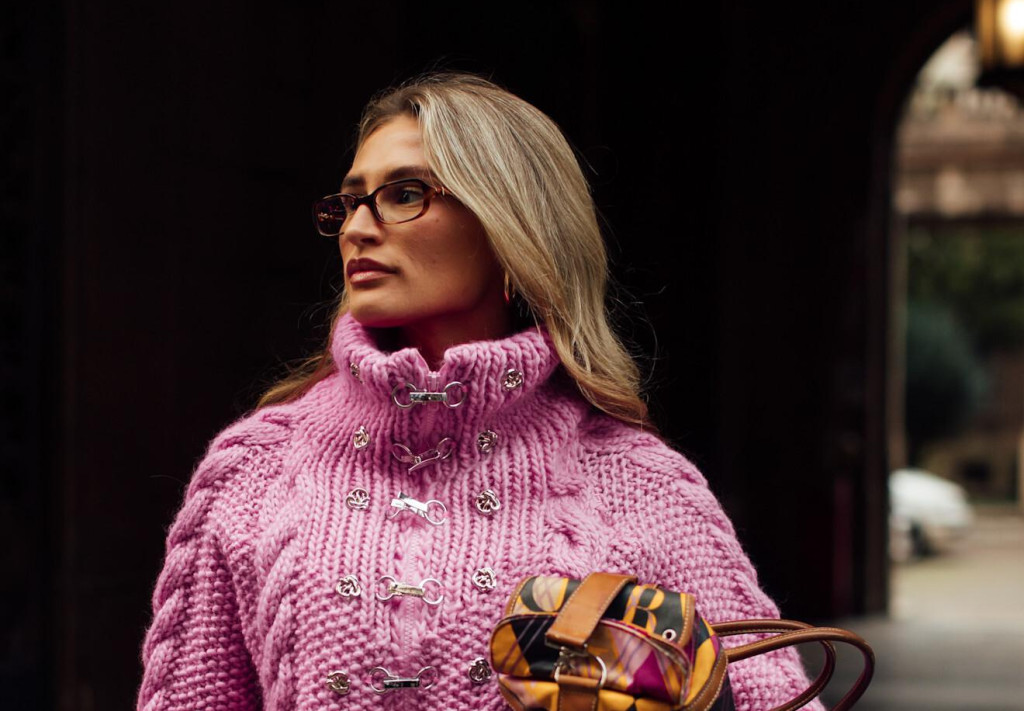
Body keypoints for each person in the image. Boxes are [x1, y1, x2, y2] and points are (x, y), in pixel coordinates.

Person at [137, 72, 823, 711]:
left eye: (405, 194)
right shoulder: (252, 473)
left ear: (509, 228)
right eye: (349, 201)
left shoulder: (643, 488)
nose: (356, 228)